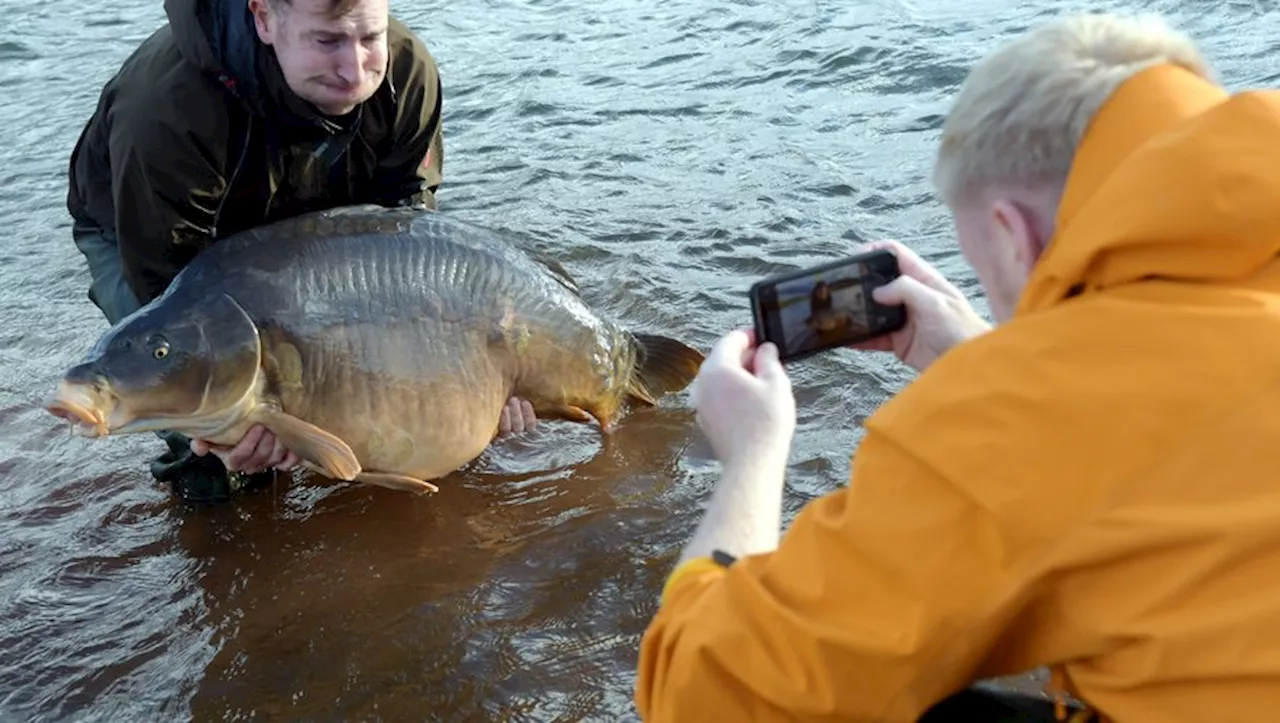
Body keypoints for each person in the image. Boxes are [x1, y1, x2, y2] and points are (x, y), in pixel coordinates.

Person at [635, 11, 1280, 722]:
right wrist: (977, 357)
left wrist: (751, 455)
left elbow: (700, 695)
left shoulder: (1018, 410)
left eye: (984, 266)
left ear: (1012, 235)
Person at [65, 0, 537, 504]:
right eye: (327, 42)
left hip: (320, 205)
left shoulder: (403, 70)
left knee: (392, 399)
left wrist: (465, 381)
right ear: (264, 18)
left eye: (369, 37)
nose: (355, 70)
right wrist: (226, 435)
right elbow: (170, 291)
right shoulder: (167, 110)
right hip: (151, 236)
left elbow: (406, 239)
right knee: (220, 453)